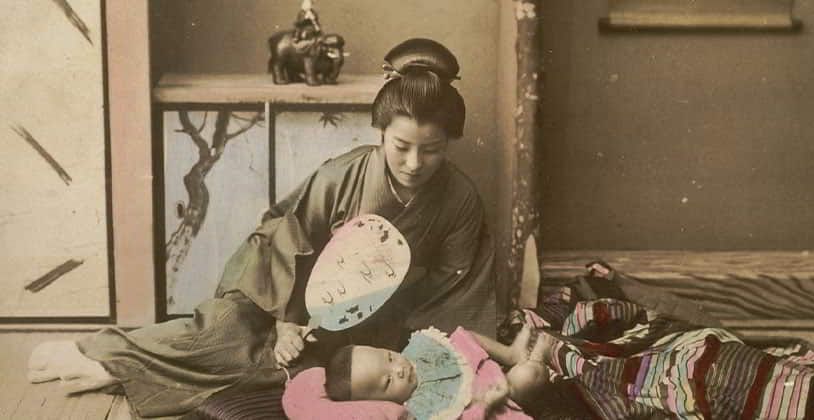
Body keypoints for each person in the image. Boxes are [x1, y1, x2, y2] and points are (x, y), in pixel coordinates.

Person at [27, 37, 497, 418]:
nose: (414, 163)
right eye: (401, 146)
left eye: (432, 150)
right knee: (227, 332)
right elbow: (285, 238)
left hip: (381, 328)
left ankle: (127, 371)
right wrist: (287, 320)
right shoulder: (342, 175)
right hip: (290, 301)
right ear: (380, 132)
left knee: (301, 373)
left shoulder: (459, 200)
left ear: (449, 143)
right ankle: (109, 355)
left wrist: (417, 345)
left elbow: (454, 290)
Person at [282, 325, 549, 419]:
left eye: (389, 357)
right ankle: (536, 360)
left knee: (463, 334)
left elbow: (462, 340)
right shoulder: (421, 410)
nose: (398, 369)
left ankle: (510, 353)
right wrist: (487, 403)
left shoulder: (415, 354)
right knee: (527, 376)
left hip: (486, 367)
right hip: (499, 394)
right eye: (387, 382)